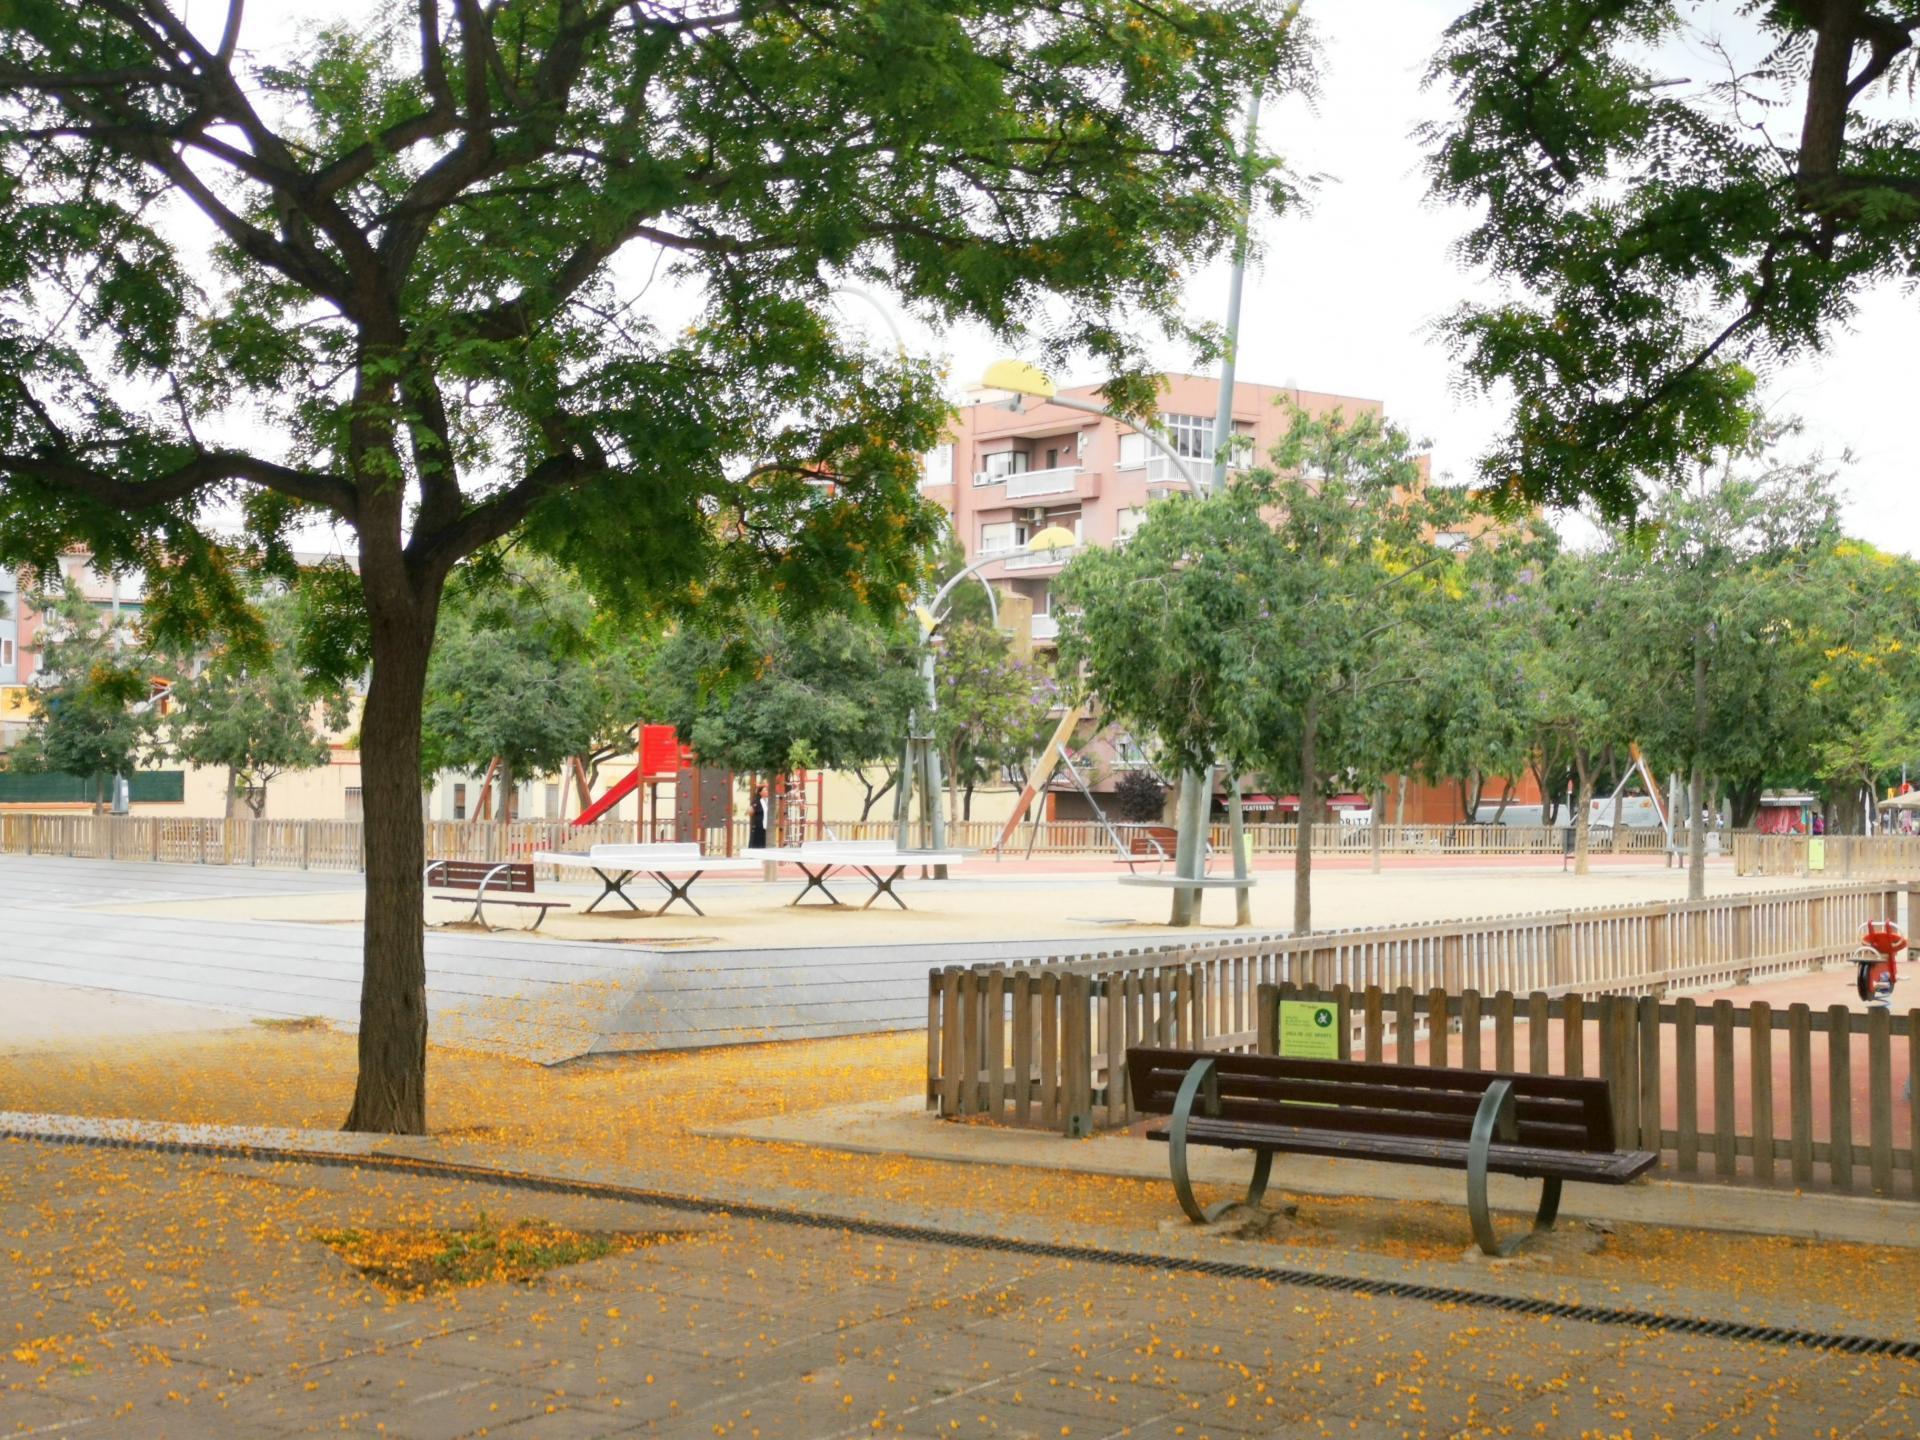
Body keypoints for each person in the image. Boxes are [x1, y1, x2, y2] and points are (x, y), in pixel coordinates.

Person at [747, 785, 769, 850]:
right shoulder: (757, 801)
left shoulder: (769, 801)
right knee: (757, 842)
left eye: (767, 790)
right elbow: (750, 811)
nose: (767, 791)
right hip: (759, 825)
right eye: (765, 790)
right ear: (760, 793)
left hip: (766, 825)